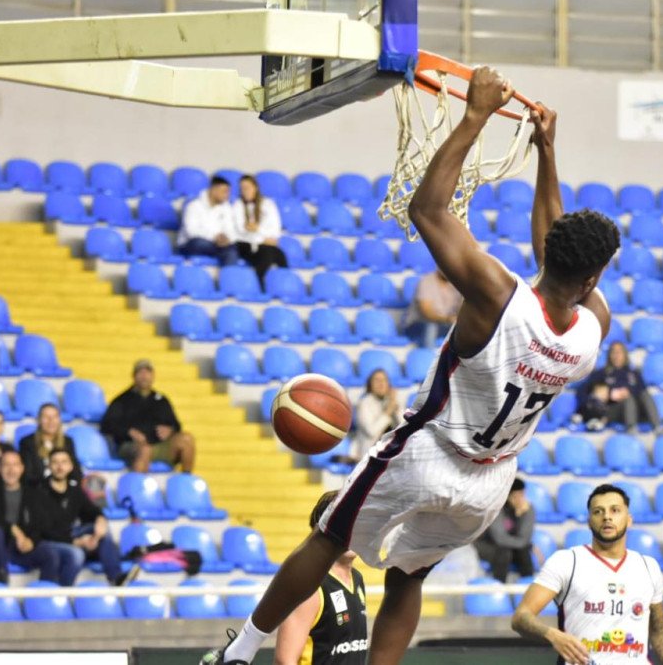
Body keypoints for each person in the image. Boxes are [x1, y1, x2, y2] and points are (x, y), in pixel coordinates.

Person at [203, 71, 620, 665]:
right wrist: (546, 151)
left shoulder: (498, 294)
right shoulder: (591, 329)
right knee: (409, 576)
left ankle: (240, 652)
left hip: (429, 452)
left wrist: (474, 116)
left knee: (329, 538)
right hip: (490, 483)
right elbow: (554, 250)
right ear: (592, 278)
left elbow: (427, 209)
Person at [511, 484, 663, 665]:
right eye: (598, 511)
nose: (607, 516)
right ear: (589, 521)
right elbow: (521, 617)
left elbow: (661, 634)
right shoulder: (566, 562)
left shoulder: (649, 566)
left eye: (615, 510)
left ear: (629, 519)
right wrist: (553, 635)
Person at [273, 490, 367, 665]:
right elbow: (284, 660)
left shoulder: (357, 578)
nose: (352, 532)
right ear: (324, 529)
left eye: (357, 524)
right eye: (345, 525)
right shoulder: (310, 586)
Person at [39, 449, 134, 586]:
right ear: (49, 466)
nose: (60, 467)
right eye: (55, 462)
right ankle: (63, 591)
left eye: (64, 462)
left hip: (71, 534)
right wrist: (76, 541)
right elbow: (44, 530)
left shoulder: (74, 490)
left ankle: (116, 578)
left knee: (101, 530)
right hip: (49, 540)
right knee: (77, 554)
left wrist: (100, 520)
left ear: (70, 466)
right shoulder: (39, 491)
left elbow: (92, 511)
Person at [0, 448, 72, 586]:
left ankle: (45, 593)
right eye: (6, 465)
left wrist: (31, 541)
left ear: (22, 468)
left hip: (19, 548)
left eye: (15, 465)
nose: (11, 470)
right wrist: (13, 528)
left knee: (50, 554)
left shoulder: (33, 494)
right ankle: (0, 579)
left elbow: (40, 525)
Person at [100, 359, 195, 473]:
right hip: (131, 445)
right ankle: (138, 484)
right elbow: (107, 425)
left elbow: (176, 425)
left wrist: (170, 430)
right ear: (134, 376)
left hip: (158, 445)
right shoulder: (122, 400)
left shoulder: (161, 400)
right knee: (145, 450)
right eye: (140, 372)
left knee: (186, 439)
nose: (144, 376)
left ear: (153, 376)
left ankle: (186, 481)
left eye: (147, 372)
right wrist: (129, 432)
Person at [575, 341, 660, 433]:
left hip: (637, 410)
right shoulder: (602, 373)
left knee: (644, 394)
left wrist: (628, 392)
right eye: (613, 352)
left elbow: (642, 391)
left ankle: (658, 427)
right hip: (613, 410)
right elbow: (581, 390)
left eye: (619, 352)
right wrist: (607, 395)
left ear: (625, 355)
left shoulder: (634, 374)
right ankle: (631, 429)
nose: (616, 356)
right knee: (628, 399)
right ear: (609, 356)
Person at [474, 477, 536, 583]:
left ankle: (529, 585)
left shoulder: (527, 509)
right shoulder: (496, 508)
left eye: (522, 494)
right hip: (487, 544)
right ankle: (499, 587)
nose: (521, 499)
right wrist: (524, 543)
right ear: (508, 496)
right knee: (504, 553)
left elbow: (525, 538)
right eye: (517, 495)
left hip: (510, 545)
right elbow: (500, 539)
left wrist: (523, 515)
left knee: (524, 551)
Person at [233, 174, 287, 286]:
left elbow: (275, 230)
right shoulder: (238, 205)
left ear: (255, 187)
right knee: (267, 253)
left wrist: (257, 229)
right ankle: (258, 285)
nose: (245, 191)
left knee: (280, 255)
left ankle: (283, 285)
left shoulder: (268, 204)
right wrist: (263, 238)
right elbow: (241, 231)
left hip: (264, 244)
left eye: (247, 188)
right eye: (242, 188)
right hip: (245, 244)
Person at [178, 175, 239, 265]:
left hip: (217, 245)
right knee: (199, 243)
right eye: (224, 192)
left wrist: (227, 238)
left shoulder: (227, 207)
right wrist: (215, 237)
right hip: (192, 245)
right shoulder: (194, 205)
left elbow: (230, 229)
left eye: (228, 192)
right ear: (213, 190)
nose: (227, 195)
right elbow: (191, 231)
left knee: (233, 248)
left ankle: (228, 273)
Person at [17, 402, 81, 486]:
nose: (51, 421)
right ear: (39, 420)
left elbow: (76, 472)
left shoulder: (68, 442)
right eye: (46, 417)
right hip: (38, 488)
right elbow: (27, 475)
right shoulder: (27, 442)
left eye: (55, 417)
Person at [349, 369, 403, 463]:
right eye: (377, 380)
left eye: (384, 380)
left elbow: (406, 429)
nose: (381, 384)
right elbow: (371, 431)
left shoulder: (391, 401)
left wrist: (396, 409)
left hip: (393, 453)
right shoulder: (364, 404)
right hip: (371, 455)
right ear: (370, 385)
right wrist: (388, 411)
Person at [402, 269, 462, 348]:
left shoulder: (457, 283)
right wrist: (447, 319)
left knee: (462, 328)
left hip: (443, 324)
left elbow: (461, 310)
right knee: (431, 326)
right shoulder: (426, 282)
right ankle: (429, 354)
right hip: (417, 324)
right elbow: (427, 312)